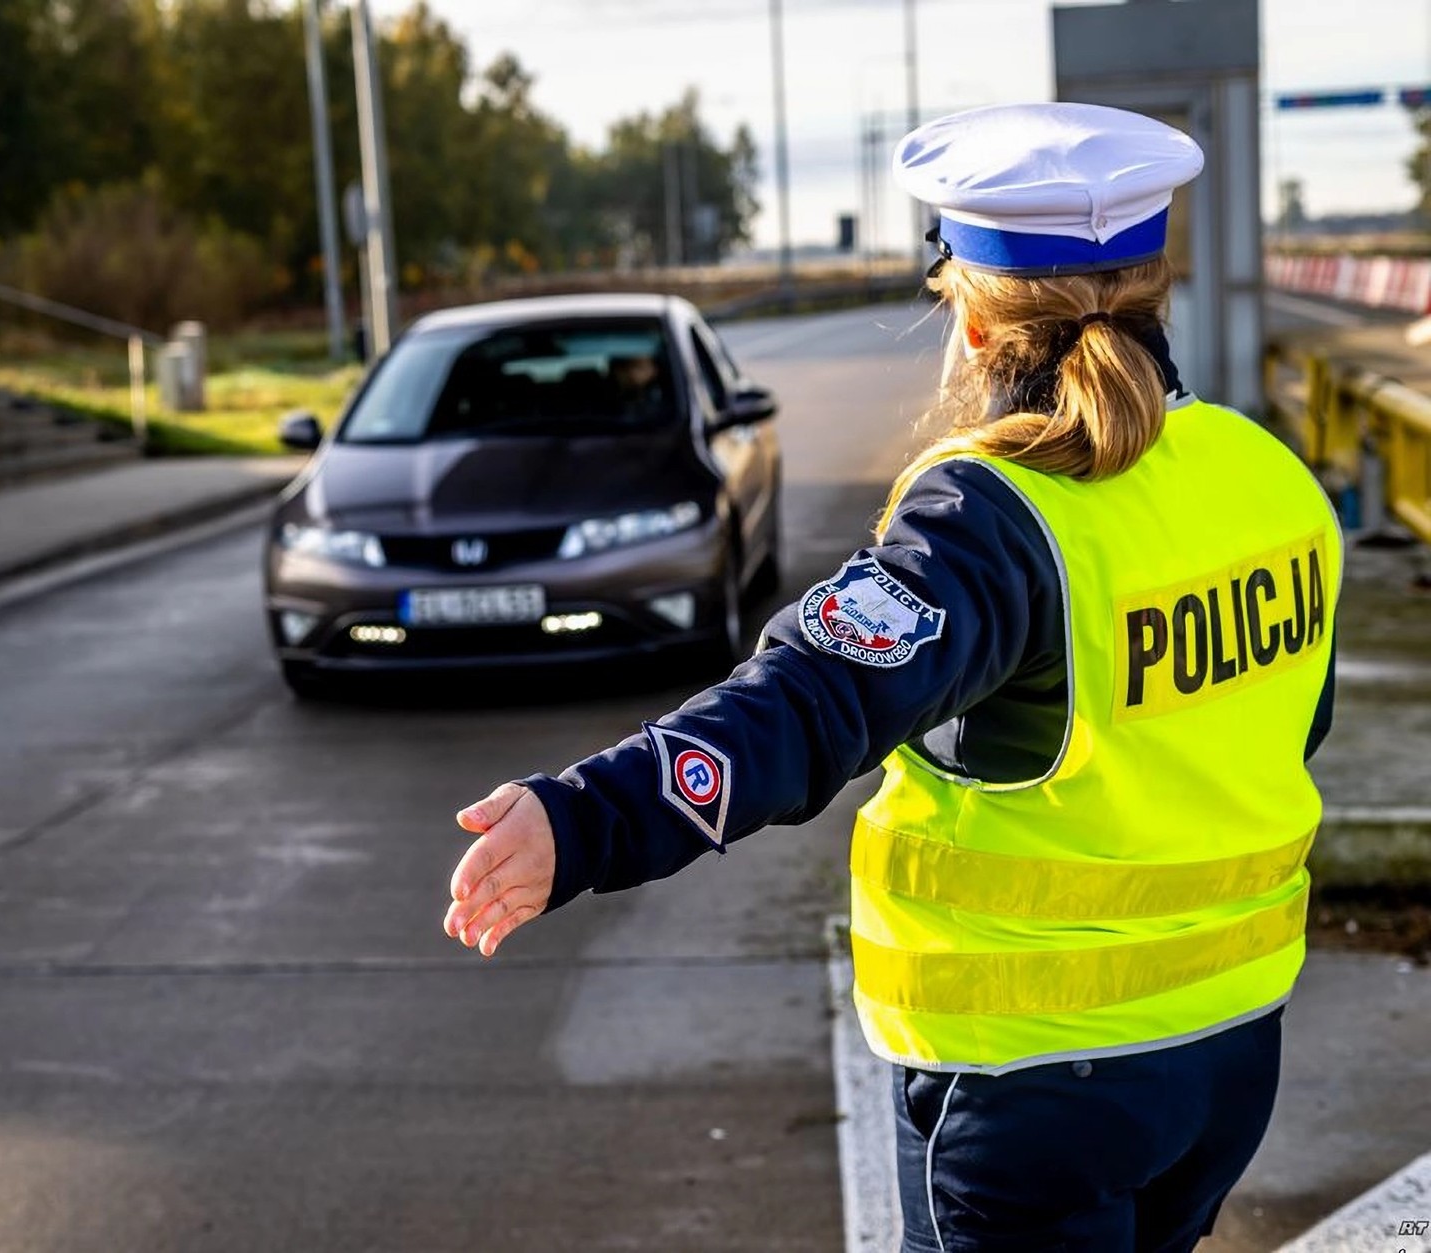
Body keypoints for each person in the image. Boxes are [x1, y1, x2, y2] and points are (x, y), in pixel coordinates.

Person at [440, 102, 1340, 1253]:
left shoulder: (992, 515)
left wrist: (584, 819)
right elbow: (1282, 730)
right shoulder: (1266, 476)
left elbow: (809, 699)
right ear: (1156, 282)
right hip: (1227, 1053)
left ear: (969, 318)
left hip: (1033, 1085)